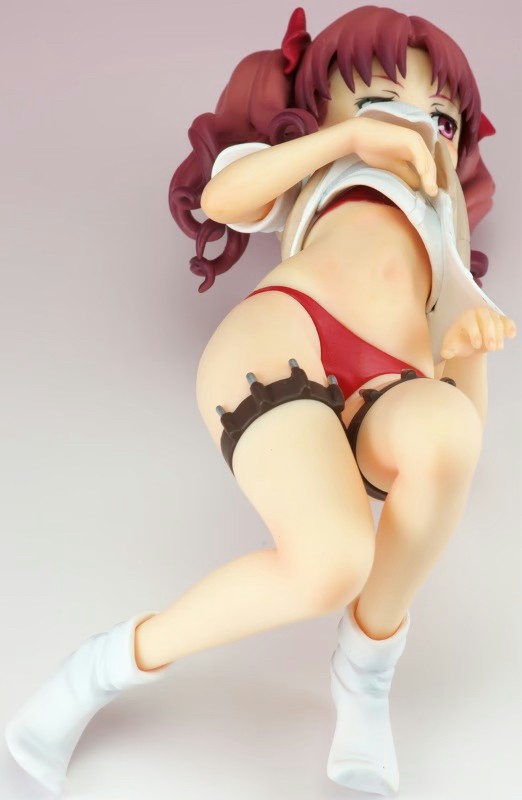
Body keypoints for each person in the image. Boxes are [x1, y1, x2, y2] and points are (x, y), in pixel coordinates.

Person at [5, 6, 516, 796]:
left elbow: (454, 453)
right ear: (324, 113)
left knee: (447, 432)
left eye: (442, 119)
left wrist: (468, 351)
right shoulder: (324, 166)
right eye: (382, 101)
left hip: (390, 379)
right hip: (291, 328)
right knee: (332, 563)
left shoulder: (445, 238)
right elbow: (225, 197)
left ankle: (366, 668)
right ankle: (106, 664)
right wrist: (349, 141)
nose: (416, 125)